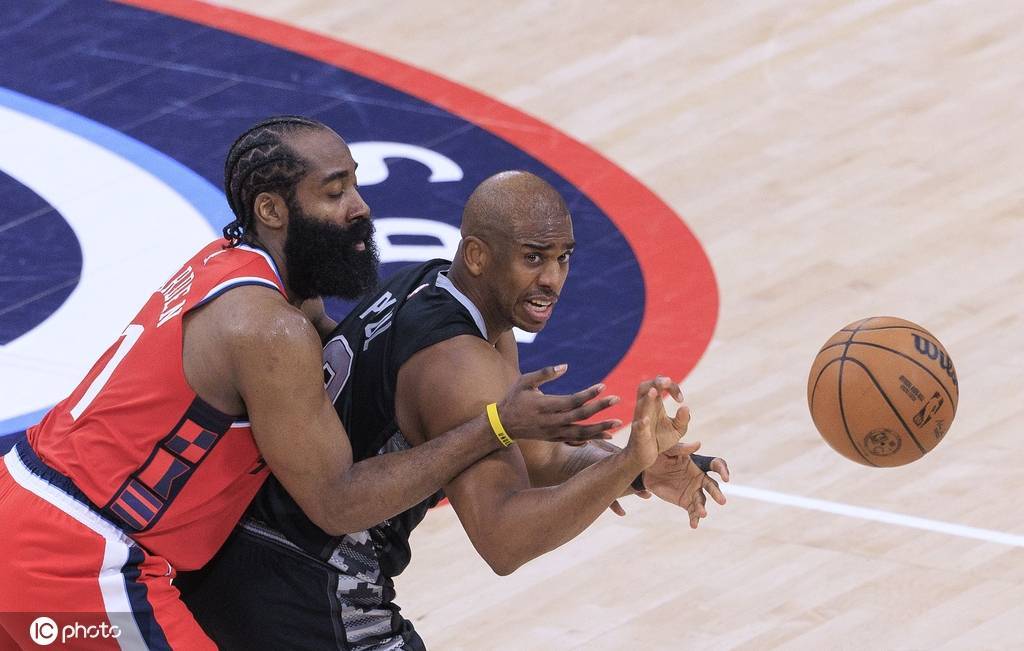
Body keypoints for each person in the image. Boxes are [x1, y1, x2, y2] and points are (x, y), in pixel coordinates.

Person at [0, 119, 621, 650]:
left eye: (355, 184)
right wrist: (492, 428)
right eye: (334, 192)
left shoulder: (237, 272)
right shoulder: (268, 329)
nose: (360, 207)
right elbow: (339, 503)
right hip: (80, 556)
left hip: (24, 494)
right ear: (272, 210)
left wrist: (623, 465)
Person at [178, 170, 730, 650]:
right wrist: (623, 461)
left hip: (240, 560)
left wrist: (636, 468)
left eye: (562, 258)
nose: (552, 279)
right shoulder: (459, 364)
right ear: (478, 255)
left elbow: (535, 456)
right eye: (533, 258)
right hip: (307, 585)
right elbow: (504, 541)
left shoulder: (435, 287)